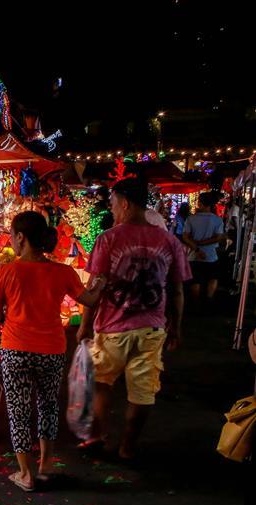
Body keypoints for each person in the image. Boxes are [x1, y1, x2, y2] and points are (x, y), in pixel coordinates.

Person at [0, 211, 104, 492]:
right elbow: (90, 299)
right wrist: (103, 281)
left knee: (18, 411)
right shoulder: (63, 272)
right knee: (48, 406)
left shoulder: (6, 271)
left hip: (16, 350)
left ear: (20, 238)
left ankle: (25, 474)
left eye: (12, 235)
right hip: (52, 350)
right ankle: (45, 465)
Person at [77, 177, 191, 459]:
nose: (112, 209)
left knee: (102, 383)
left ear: (125, 203)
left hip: (112, 327)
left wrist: (84, 326)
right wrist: (176, 326)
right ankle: (128, 447)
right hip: (152, 327)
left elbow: (95, 286)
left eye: (113, 204)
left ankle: (98, 436)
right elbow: (177, 289)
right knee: (142, 392)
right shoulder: (168, 241)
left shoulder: (109, 239)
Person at [182, 191, 226, 307]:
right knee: (213, 277)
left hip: (193, 255)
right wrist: (204, 243)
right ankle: (209, 299)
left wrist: (197, 247)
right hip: (211, 255)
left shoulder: (191, 219)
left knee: (195, 279)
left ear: (200, 203)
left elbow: (185, 237)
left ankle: (196, 302)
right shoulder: (217, 220)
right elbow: (219, 237)